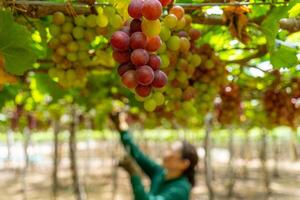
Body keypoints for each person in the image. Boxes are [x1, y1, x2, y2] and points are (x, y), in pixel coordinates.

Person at [111, 112, 199, 200]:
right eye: (168, 150)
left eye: (171, 154)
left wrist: (134, 175)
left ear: (184, 164)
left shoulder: (180, 189)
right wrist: (122, 130)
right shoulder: (161, 173)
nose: (166, 154)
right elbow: (138, 155)